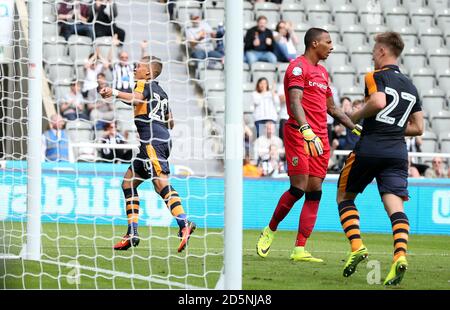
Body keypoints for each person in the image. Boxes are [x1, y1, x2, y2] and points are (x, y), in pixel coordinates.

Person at [256, 28, 361, 262]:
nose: (331, 46)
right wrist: (305, 130)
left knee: (315, 192)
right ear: (315, 43)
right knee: (298, 188)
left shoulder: (323, 73)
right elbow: (294, 102)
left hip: (320, 138)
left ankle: (300, 249)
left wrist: (355, 127)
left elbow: (332, 109)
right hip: (298, 134)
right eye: (328, 42)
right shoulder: (297, 67)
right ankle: (269, 230)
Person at [336, 32, 423, 285]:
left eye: (375, 50)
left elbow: (377, 100)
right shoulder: (411, 85)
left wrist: (355, 115)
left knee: (344, 196)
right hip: (397, 152)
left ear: (383, 51)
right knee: (396, 207)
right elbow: (418, 128)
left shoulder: (374, 76)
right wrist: (394, 127)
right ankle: (400, 256)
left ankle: (357, 247)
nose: (372, 54)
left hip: (370, 147)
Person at [100, 55, 196, 252]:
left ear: (148, 72)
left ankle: (184, 223)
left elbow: (136, 99)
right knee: (128, 182)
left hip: (152, 141)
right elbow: (171, 121)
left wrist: (115, 92)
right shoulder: (162, 92)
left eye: (139, 66)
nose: (135, 69)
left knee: (160, 183)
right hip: (158, 139)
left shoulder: (143, 84)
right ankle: (132, 232)